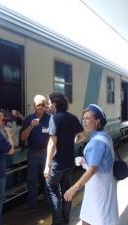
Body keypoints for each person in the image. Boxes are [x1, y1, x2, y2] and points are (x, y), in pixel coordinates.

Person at [64, 104, 119, 225]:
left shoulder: (97, 142)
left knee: (96, 219)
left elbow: (92, 170)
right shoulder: (104, 136)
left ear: (97, 121)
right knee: (94, 218)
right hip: (103, 184)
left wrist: (74, 188)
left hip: (98, 187)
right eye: (83, 118)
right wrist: (84, 161)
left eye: (88, 118)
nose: (84, 121)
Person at [44, 92, 86, 225]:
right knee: (67, 193)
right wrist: (73, 141)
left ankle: (57, 222)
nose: (48, 105)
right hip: (69, 162)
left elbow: (52, 143)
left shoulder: (54, 118)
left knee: (52, 191)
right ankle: (66, 221)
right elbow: (83, 135)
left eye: (49, 103)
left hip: (57, 164)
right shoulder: (72, 117)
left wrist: (47, 165)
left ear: (55, 104)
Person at [21, 95, 51, 209]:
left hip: (46, 153)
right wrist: (31, 126)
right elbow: (23, 137)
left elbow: (54, 137)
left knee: (47, 179)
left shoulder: (50, 118)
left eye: (43, 105)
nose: (41, 107)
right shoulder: (29, 119)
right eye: (39, 105)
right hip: (32, 153)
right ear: (34, 106)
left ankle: (49, 203)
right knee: (32, 179)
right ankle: (31, 204)